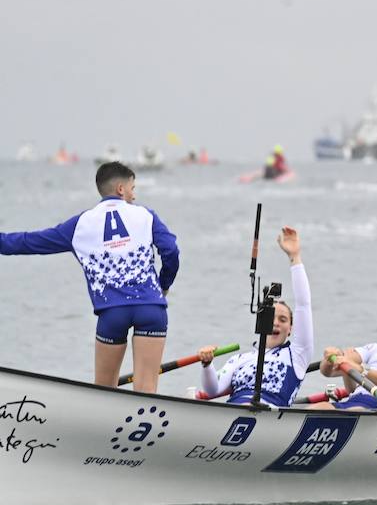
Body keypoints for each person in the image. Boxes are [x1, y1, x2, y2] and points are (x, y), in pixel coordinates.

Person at [0, 161, 179, 392]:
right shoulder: (146, 215)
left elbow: (26, 242)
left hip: (112, 313)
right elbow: (171, 251)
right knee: (146, 388)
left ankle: (103, 424)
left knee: (103, 392)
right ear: (121, 189)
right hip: (151, 308)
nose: (134, 196)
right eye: (133, 189)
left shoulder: (79, 225)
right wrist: (163, 285)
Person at [198, 226, 313, 406]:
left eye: (283, 320)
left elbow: (304, 305)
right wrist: (207, 365)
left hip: (268, 415)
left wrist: (295, 257)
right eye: (271, 317)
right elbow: (212, 390)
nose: (275, 323)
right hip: (233, 409)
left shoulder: (297, 354)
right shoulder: (239, 360)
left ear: (291, 329)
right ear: (261, 320)